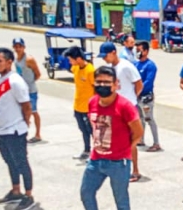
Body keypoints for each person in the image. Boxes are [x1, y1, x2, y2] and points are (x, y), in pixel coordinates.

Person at [77, 66, 143, 210]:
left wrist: (126, 150)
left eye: (107, 82)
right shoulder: (92, 102)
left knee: (120, 199)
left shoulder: (125, 106)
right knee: (86, 192)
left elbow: (138, 132)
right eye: (99, 82)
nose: (102, 85)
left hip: (118, 162)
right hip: (96, 158)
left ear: (116, 84)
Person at [0, 48, 36, 210]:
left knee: (21, 162)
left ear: (9, 62)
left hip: (14, 130)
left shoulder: (16, 81)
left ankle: (28, 195)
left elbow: (26, 106)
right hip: (1, 130)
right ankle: (15, 190)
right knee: (10, 161)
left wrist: (24, 124)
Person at [99, 42, 144, 182]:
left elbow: (139, 84)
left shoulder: (126, 66)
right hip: (115, 108)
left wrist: (131, 100)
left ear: (113, 52)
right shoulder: (109, 68)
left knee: (131, 142)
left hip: (128, 108)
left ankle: (135, 170)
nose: (104, 59)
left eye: (105, 56)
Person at [66, 46, 95, 160]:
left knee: (92, 131)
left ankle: (96, 153)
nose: (70, 62)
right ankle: (86, 150)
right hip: (78, 106)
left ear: (78, 58)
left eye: (71, 59)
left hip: (88, 108)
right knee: (83, 130)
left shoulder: (90, 70)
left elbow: (96, 88)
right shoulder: (75, 68)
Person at [12, 38, 42, 144]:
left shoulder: (29, 59)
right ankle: (23, 134)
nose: (18, 48)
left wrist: (30, 83)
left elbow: (38, 74)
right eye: (16, 46)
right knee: (23, 113)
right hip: (22, 91)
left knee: (33, 112)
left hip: (31, 91)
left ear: (24, 47)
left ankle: (38, 134)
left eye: (20, 46)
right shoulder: (16, 60)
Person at [135, 40, 161, 152]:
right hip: (137, 96)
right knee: (140, 119)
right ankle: (141, 139)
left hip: (146, 97)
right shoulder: (135, 64)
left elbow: (148, 82)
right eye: (136, 50)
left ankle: (156, 143)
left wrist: (137, 90)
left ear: (146, 51)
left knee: (149, 119)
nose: (137, 52)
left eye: (139, 50)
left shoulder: (150, 66)